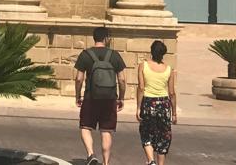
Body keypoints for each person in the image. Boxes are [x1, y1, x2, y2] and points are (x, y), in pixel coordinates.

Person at [74, 26, 127, 165]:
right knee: (106, 130)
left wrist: (77, 96)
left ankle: (91, 154)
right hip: (109, 98)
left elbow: (79, 78)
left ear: (94, 38)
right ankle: (106, 163)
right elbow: (122, 79)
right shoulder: (114, 55)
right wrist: (121, 98)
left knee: (85, 127)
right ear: (106, 38)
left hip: (91, 96)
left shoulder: (85, 54)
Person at [136, 40, 177, 165]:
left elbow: (141, 88)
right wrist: (174, 112)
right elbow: (172, 93)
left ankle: (151, 160)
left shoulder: (143, 66)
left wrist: (138, 107)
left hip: (148, 103)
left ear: (151, 51)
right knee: (163, 136)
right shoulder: (169, 69)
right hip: (164, 104)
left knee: (146, 133)